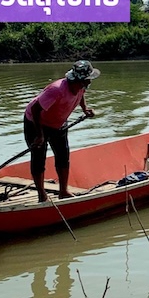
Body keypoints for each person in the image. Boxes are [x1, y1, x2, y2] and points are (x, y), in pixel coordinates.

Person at [24, 60, 100, 201]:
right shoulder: (56, 90)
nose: (89, 83)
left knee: (63, 156)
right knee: (38, 158)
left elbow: (81, 94)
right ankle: (42, 195)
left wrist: (85, 108)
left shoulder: (81, 86)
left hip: (58, 123)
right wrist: (40, 135)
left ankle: (63, 191)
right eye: (87, 80)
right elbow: (35, 109)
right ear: (78, 79)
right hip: (36, 123)